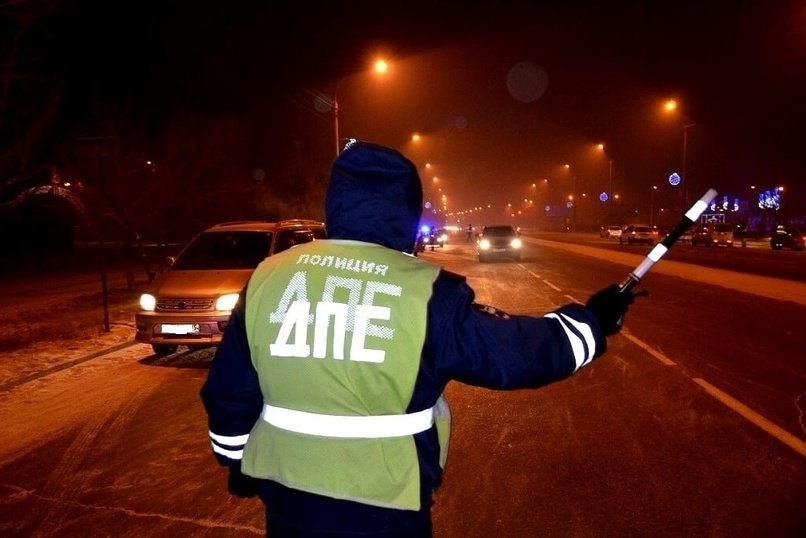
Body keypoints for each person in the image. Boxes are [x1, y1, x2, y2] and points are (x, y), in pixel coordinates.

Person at [200, 141, 634, 537]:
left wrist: (238, 461)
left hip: (287, 500)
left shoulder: (270, 276)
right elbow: (514, 354)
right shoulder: (426, 292)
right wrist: (590, 324)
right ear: (407, 211)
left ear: (334, 203)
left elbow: (229, 391)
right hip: (387, 504)